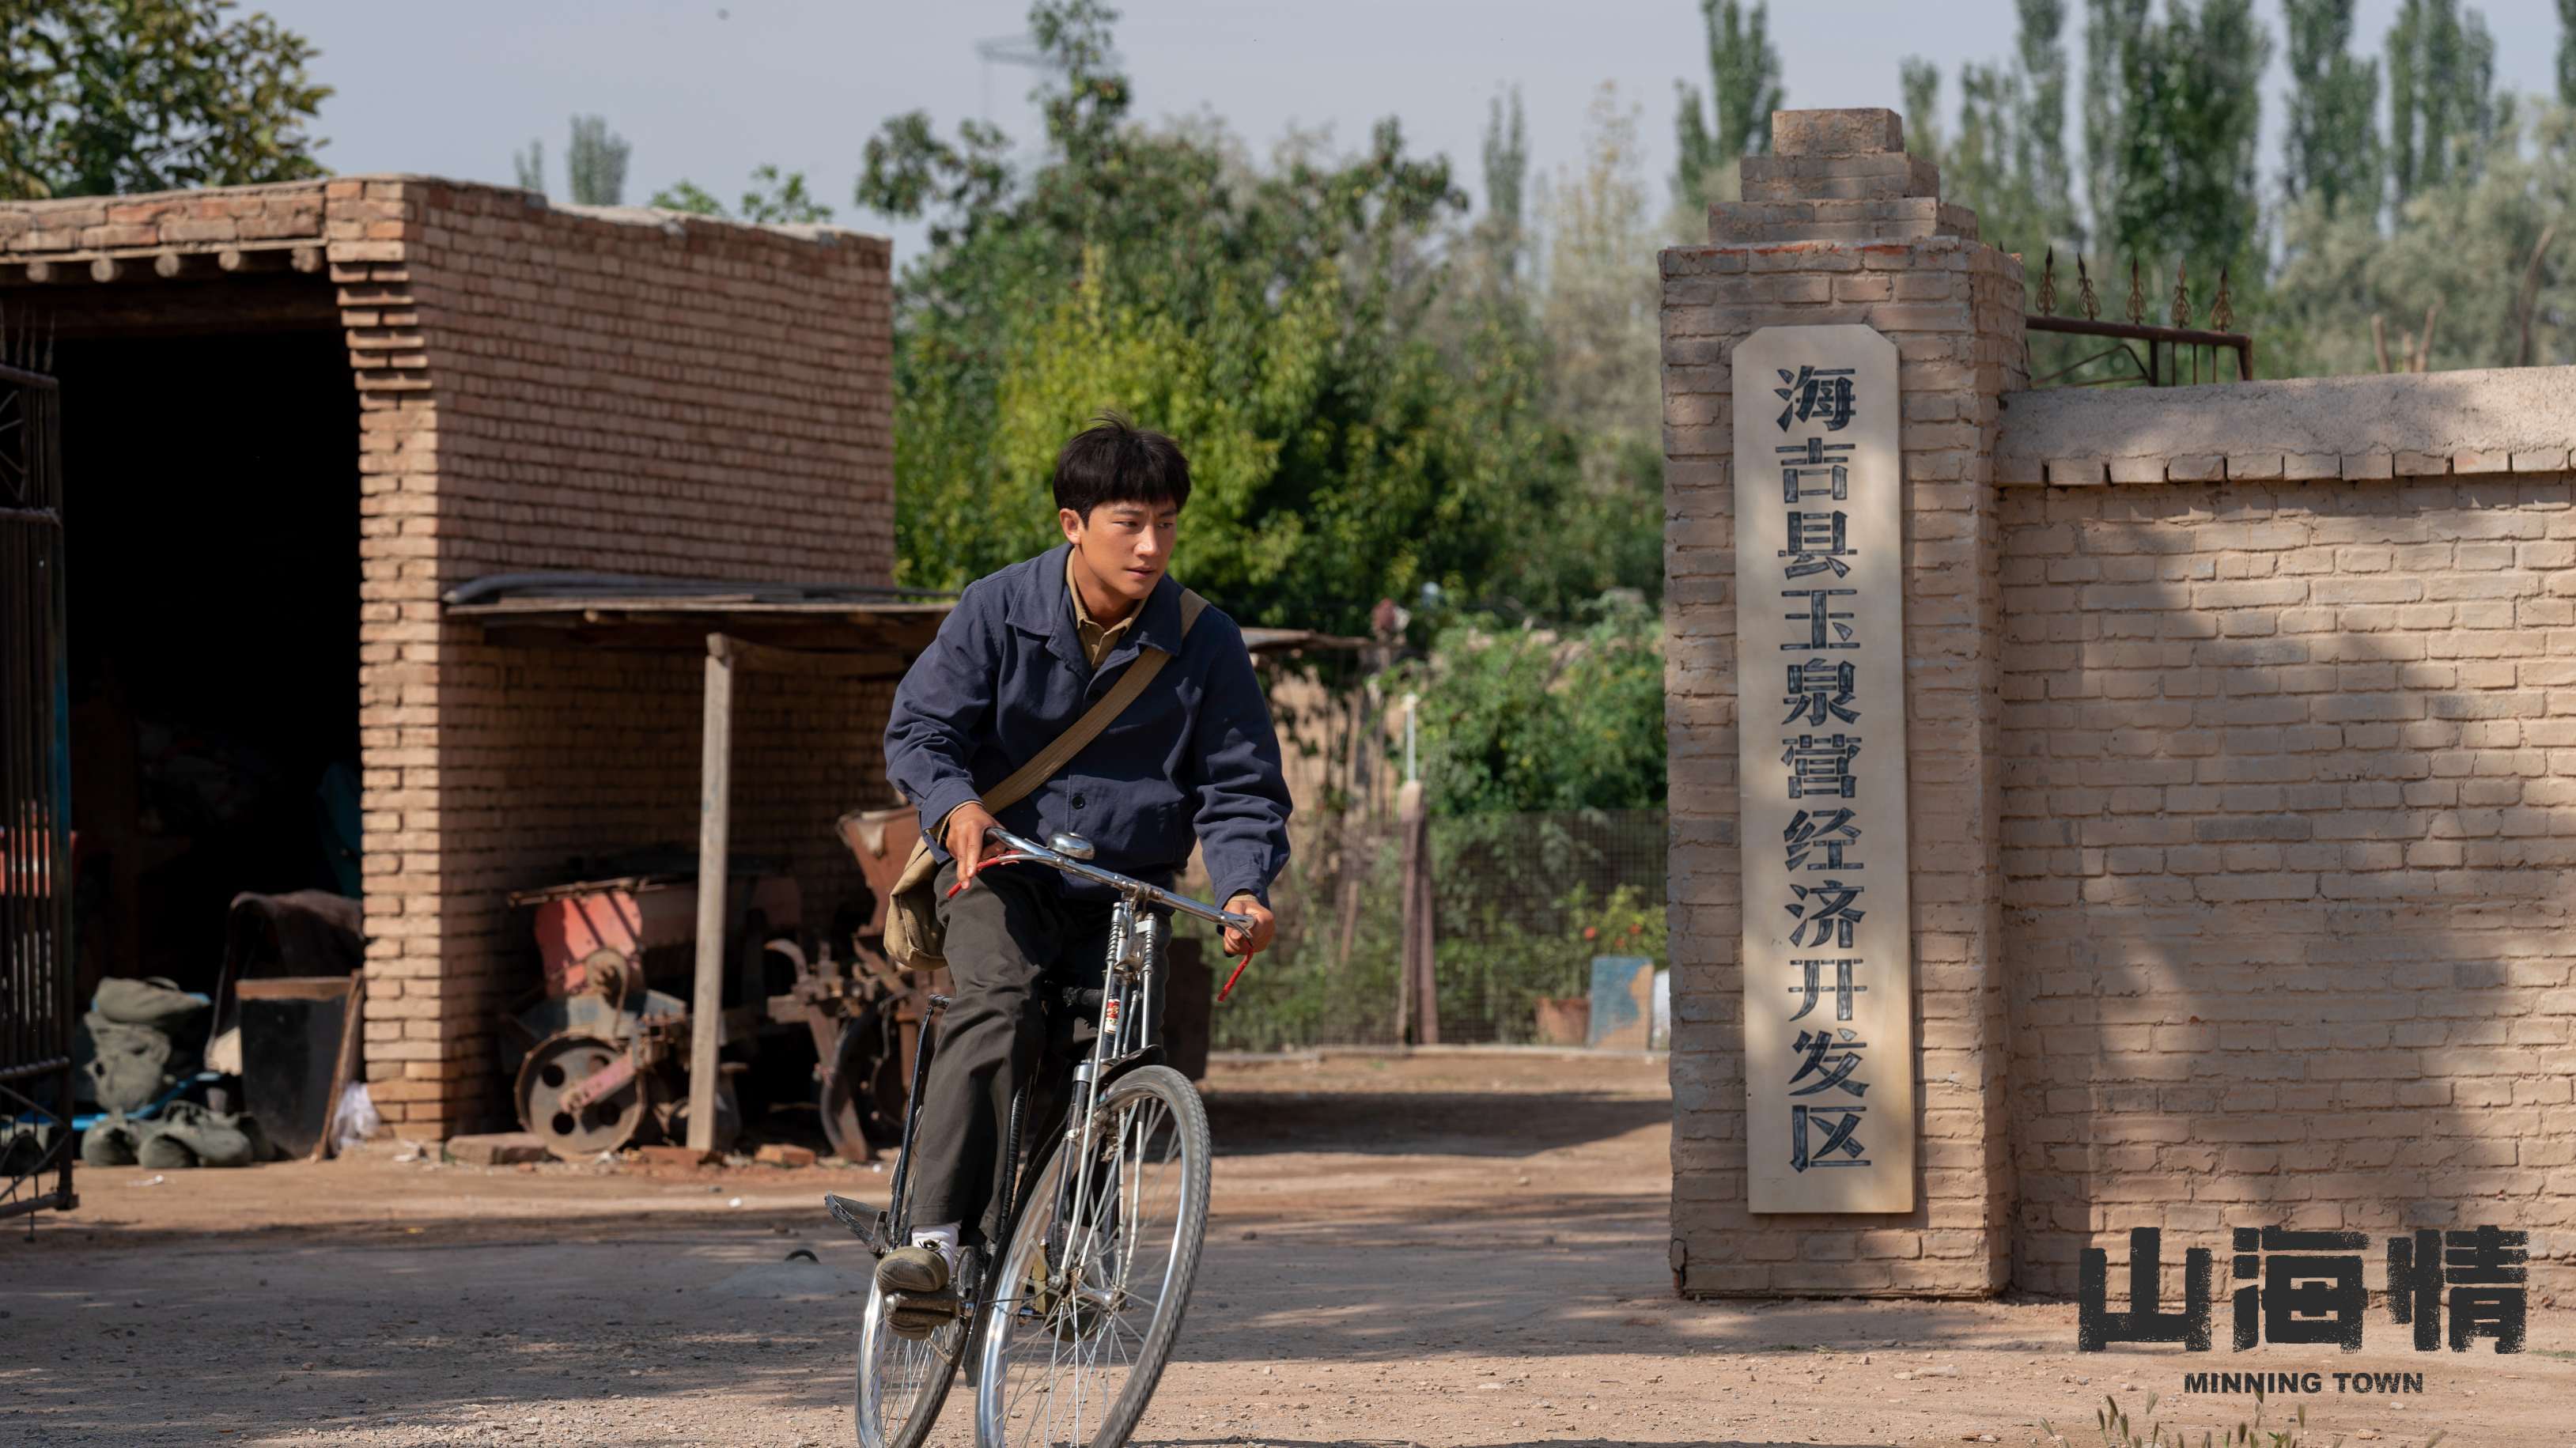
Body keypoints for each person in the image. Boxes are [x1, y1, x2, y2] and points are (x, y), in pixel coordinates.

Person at [875, 414, 1291, 1321]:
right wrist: (956, 805)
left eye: (1167, 525)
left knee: (1108, 1061)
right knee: (998, 1000)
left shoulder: (1204, 639)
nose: (1151, 546)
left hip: (1125, 888)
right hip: (1003, 865)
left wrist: (1242, 886)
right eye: (1128, 523)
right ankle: (935, 1240)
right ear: (1073, 524)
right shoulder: (997, 608)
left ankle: (1074, 1240)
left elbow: (1240, 785)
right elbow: (920, 730)